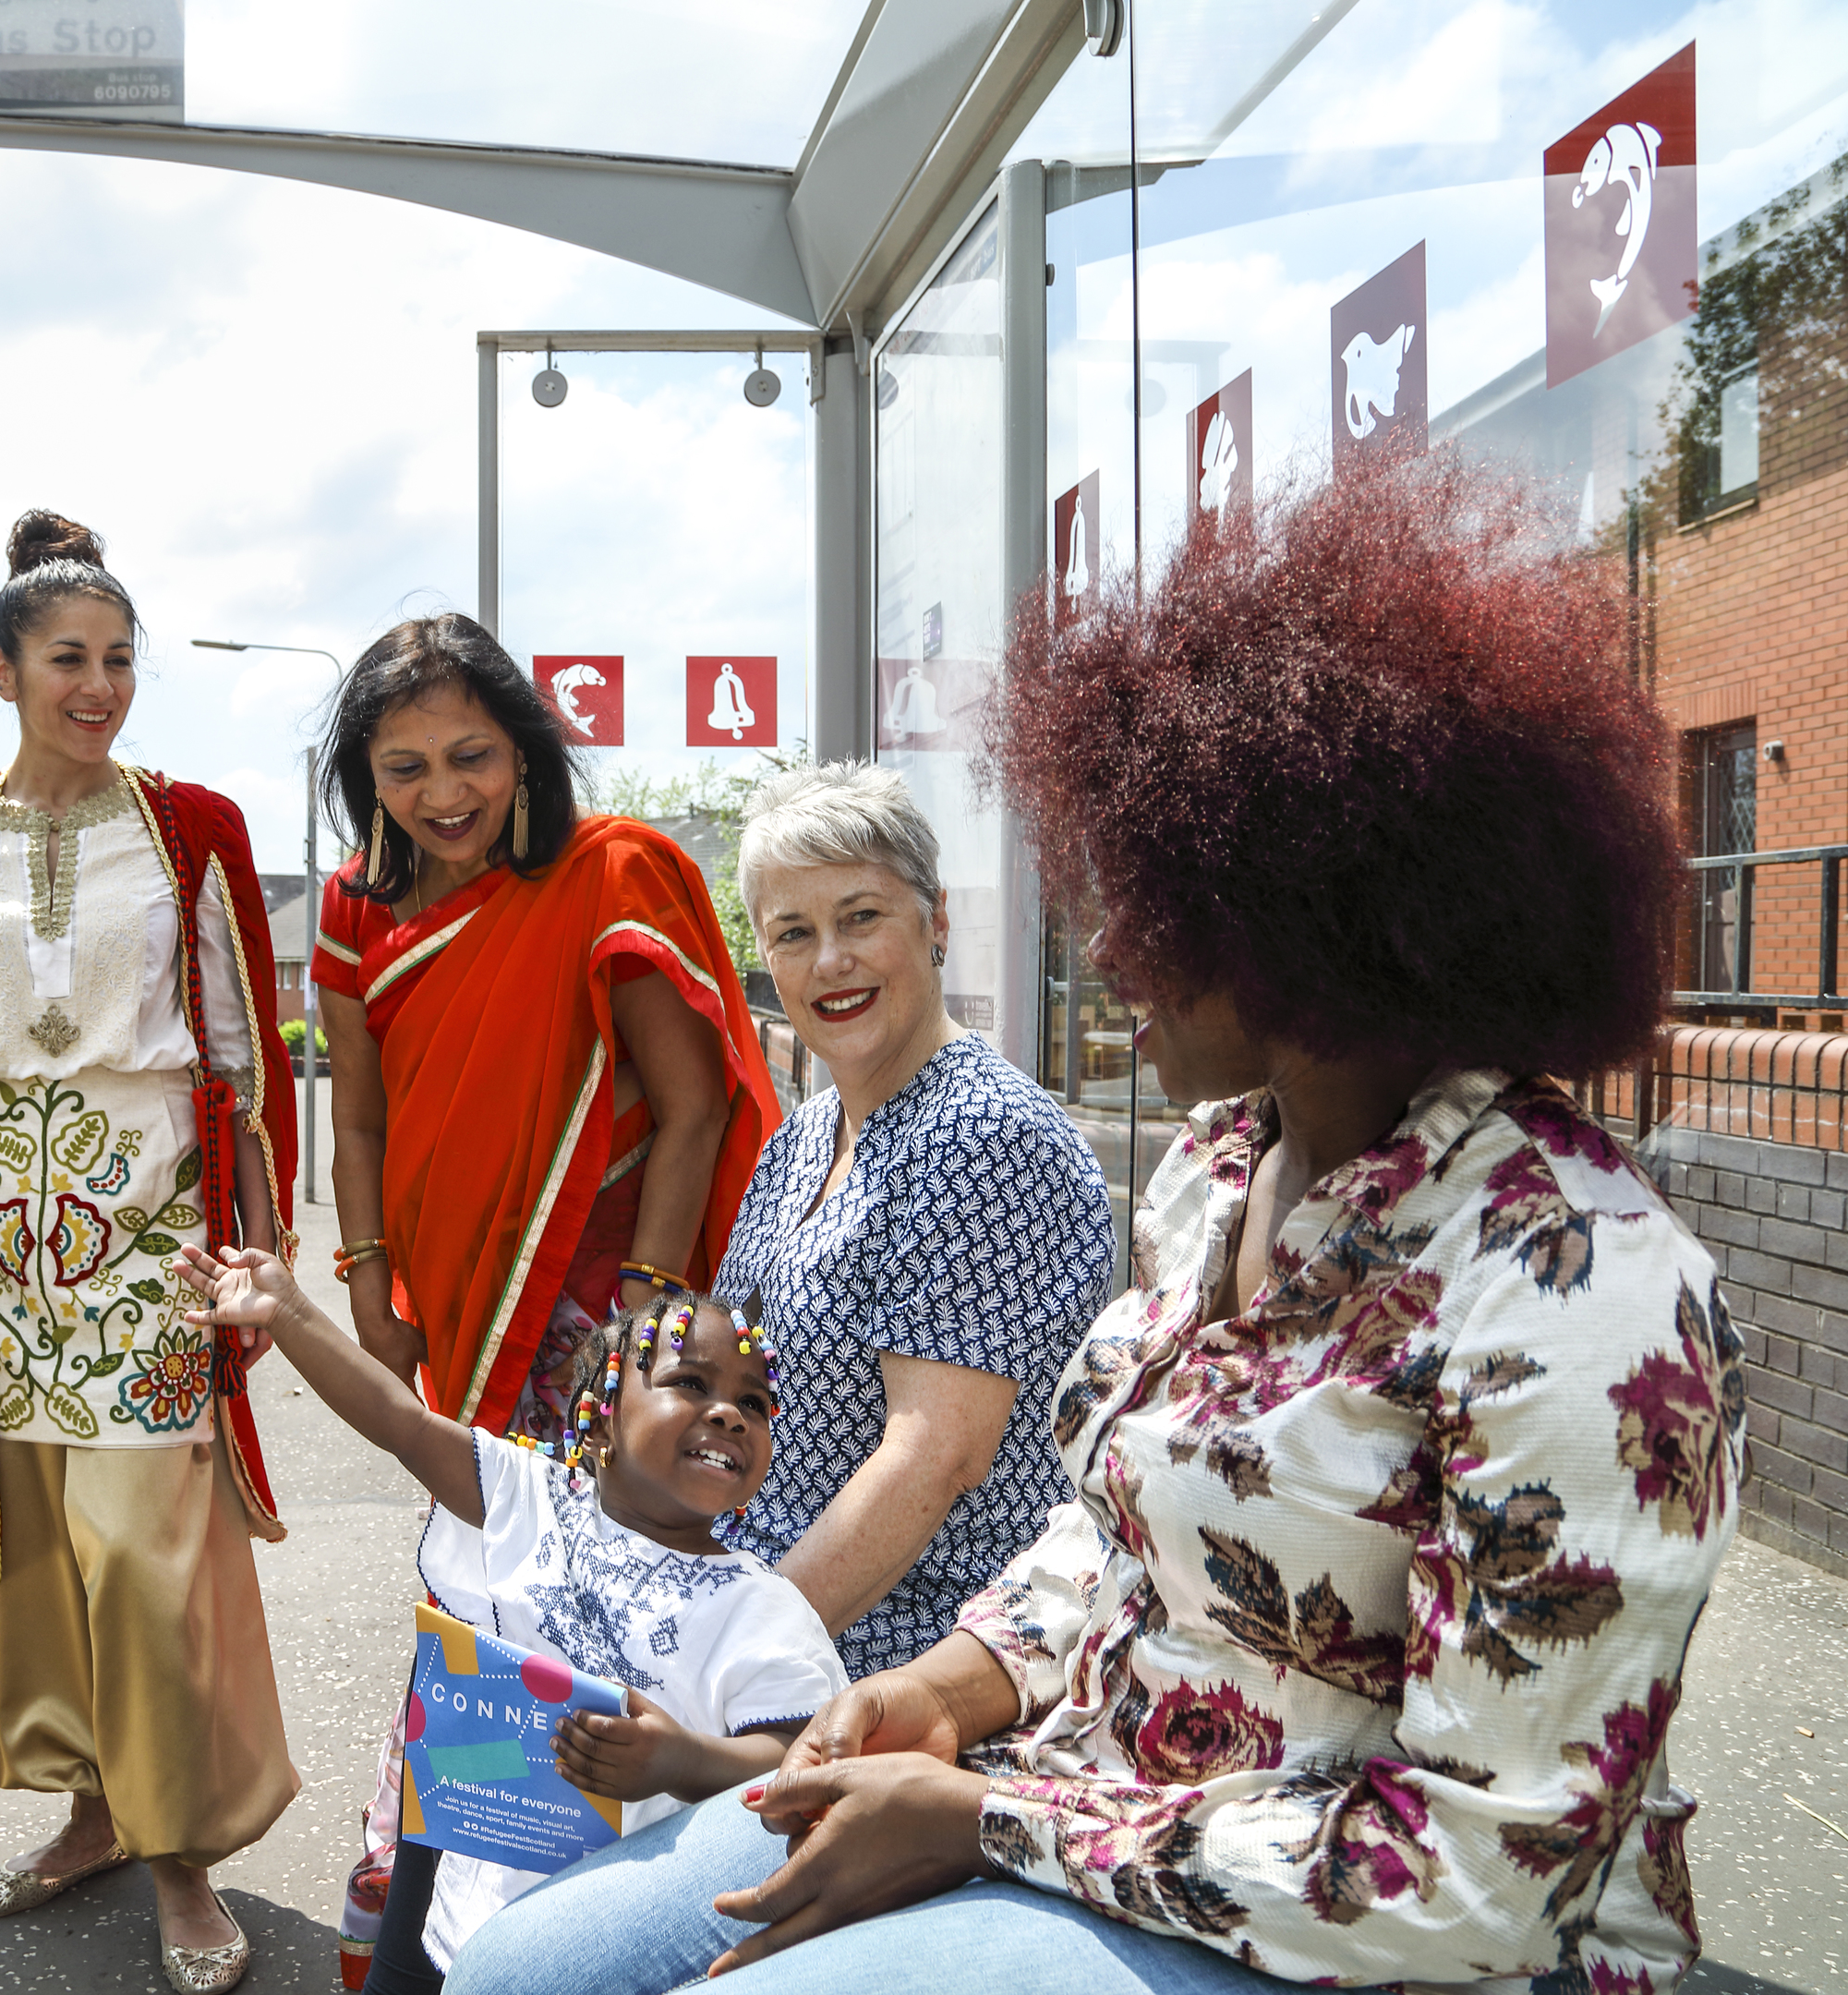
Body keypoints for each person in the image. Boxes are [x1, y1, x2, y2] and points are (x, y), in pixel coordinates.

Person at [445, 452, 1740, 1995]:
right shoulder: (1215, 1174)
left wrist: (978, 1821)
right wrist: (940, 1690)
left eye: (1165, 897)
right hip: (1069, 1787)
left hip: (1323, 1930)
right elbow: (1112, 1539)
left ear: (1334, 917)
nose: (1113, 943)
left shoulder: (1581, 1293)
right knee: (520, 1970)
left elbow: (1481, 1880)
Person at [0, 511, 299, 1995]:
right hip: (1, 1269)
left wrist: (263, 1252)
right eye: (67, 661)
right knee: (52, 1557)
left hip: (150, 1248)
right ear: (1, 669)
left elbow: (235, 1056)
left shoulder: (194, 827)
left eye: (118, 660)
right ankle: (95, 1812)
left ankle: (181, 1865)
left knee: (147, 1562)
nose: (98, 686)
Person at [308, 612, 783, 1977]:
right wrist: (364, 1275)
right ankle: (437, 1844)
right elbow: (361, 1125)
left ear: (525, 748)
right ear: (365, 778)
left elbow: (691, 1111)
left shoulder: (607, 871)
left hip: (597, 1318)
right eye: (404, 768)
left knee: (596, 1596)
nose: (445, 794)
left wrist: (651, 1326)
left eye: (473, 755)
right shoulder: (352, 912)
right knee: (477, 1581)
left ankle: (573, 1884)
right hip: (456, 1298)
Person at [174, 1245, 845, 1995]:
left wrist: (682, 1762)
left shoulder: (763, 1609)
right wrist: (291, 1313)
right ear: (601, 1425)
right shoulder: (535, 1501)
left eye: (754, 1403)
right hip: (462, 1891)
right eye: (689, 1383)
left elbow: (804, 1763)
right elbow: (401, 1422)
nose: (728, 1412)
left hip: (603, 1946)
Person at [715, 763, 1112, 1681]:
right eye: (794, 933)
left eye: (861, 918)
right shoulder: (806, 1139)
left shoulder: (983, 1136)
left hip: (903, 1664)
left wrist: (726, 1664)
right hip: (774, 1618)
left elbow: (933, 1463)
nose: (830, 962)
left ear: (935, 923)